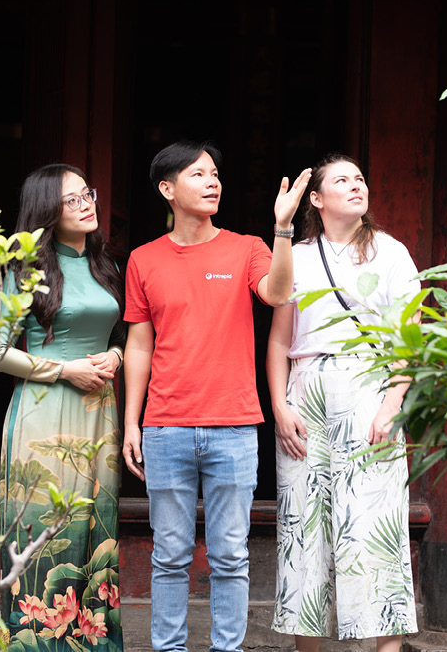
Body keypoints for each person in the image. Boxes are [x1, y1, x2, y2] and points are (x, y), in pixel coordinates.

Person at [121, 141, 311, 652]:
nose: (212, 182)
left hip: (234, 426)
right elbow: (139, 345)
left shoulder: (247, 247)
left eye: (215, 174)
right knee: (169, 556)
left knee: (230, 556)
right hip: (165, 427)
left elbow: (277, 294)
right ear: (167, 189)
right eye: (198, 174)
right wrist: (131, 422)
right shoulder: (143, 259)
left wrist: (283, 228)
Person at [267, 153, 419, 652]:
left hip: (370, 388)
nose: (356, 185)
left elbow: (409, 337)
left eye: (360, 178)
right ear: (316, 198)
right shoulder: (298, 254)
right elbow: (279, 338)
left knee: (375, 527)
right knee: (303, 526)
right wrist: (279, 406)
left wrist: (393, 401)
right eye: (342, 180)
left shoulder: (391, 253)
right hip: (305, 390)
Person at [0, 163, 125, 652]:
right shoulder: (24, 271)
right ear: (48, 210)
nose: (86, 204)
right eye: (72, 200)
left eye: (87, 194)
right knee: (47, 529)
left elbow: (120, 335)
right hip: (43, 414)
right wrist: (64, 370)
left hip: (99, 413)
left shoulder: (105, 265)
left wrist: (116, 356)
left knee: (95, 528)